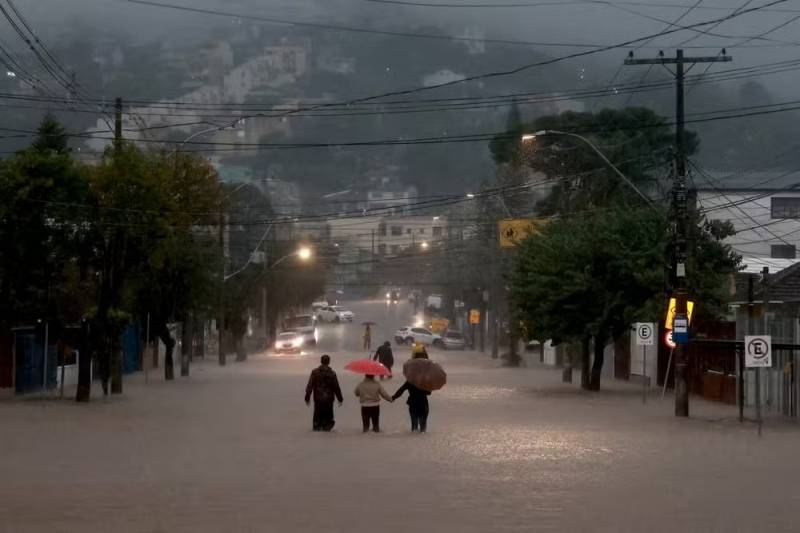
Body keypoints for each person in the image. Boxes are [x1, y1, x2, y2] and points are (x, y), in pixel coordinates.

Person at [392, 346, 432, 433]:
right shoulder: (424, 380)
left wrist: (393, 398)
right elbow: (429, 392)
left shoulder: (410, 380)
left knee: (414, 427)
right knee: (423, 428)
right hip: (423, 404)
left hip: (413, 405)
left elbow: (401, 390)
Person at [304, 355, 344, 431]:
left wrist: (307, 397)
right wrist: (340, 398)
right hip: (329, 398)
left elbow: (310, 385)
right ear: (329, 362)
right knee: (328, 414)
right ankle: (327, 427)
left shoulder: (315, 372)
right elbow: (336, 387)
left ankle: (317, 426)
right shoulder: (332, 373)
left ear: (321, 361)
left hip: (318, 398)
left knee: (317, 414)